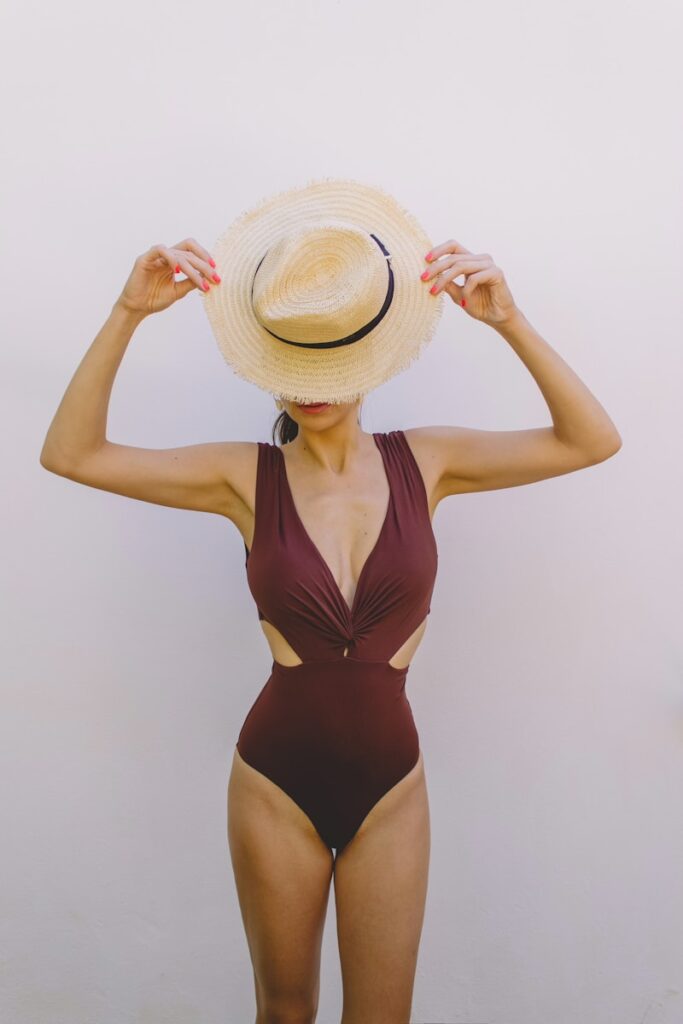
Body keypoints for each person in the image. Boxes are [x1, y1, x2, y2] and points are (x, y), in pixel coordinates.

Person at [40, 179, 622, 1024]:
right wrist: (128, 311)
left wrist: (507, 322)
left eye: (330, 364)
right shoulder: (243, 477)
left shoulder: (428, 461)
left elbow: (590, 440)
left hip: (391, 783)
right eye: (289, 366)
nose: (310, 387)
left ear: (371, 357)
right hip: (274, 776)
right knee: (283, 1014)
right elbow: (72, 454)